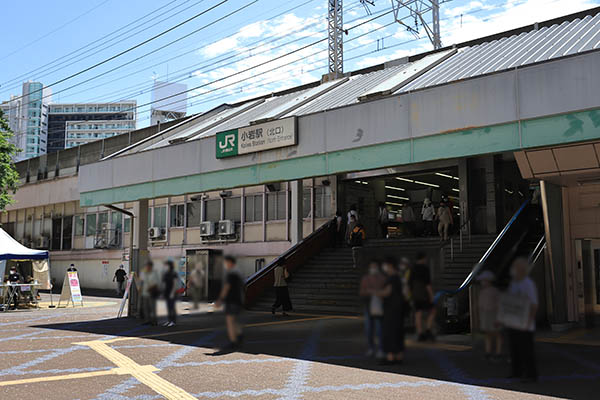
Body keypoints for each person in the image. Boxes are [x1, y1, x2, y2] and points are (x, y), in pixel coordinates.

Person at [506, 257, 538, 382]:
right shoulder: (514, 283)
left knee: (527, 350)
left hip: (525, 323)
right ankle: (516, 372)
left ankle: (531, 374)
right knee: (515, 348)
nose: (513, 270)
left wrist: (529, 321)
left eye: (516, 267)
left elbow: (534, 304)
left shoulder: (528, 284)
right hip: (514, 322)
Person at [378, 257, 407, 365]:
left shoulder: (391, 279)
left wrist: (378, 293)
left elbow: (387, 292)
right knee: (398, 332)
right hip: (399, 309)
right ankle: (399, 356)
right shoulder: (399, 278)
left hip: (390, 310)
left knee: (390, 332)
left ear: (390, 266)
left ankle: (390, 357)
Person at [216, 255, 244, 350]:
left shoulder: (230, 274)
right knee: (235, 320)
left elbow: (226, 288)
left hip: (231, 300)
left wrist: (220, 300)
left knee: (230, 321)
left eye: (226, 263)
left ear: (230, 263)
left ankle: (233, 341)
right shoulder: (238, 274)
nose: (225, 265)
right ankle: (239, 336)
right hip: (238, 300)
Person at [359, 261, 386, 358]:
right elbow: (362, 292)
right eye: (372, 267)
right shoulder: (366, 278)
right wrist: (370, 292)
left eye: (375, 267)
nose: (373, 269)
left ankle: (381, 348)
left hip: (379, 306)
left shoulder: (382, 278)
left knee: (379, 329)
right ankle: (371, 348)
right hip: (368, 306)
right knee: (369, 329)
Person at [410, 252, 436, 341]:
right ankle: (428, 330)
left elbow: (409, 283)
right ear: (423, 259)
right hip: (424, 294)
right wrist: (431, 295)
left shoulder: (412, 269)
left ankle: (420, 333)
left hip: (415, 295)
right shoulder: (425, 269)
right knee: (432, 311)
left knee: (418, 314)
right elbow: (427, 284)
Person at [477, 270, 502, 362]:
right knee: (488, 333)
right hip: (485, 314)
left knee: (496, 333)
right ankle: (488, 352)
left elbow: (499, 304)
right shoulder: (482, 292)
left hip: (493, 314)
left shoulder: (494, 291)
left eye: (484, 280)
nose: (482, 282)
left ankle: (498, 352)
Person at [140, 261, 160, 326]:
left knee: (152, 308)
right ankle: (147, 320)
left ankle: (154, 321)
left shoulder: (155, 273)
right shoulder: (144, 273)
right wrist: (140, 288)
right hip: (145, 292)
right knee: (146, 308)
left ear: (151, 266)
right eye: (147, 266)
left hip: (152, 293)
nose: (147, 267)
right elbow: (142, 281)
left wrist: (150, 288)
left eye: (148, 266)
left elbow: (156, 283)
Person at [162, 260, 178, 327]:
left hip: (172, 292)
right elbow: (163, 283)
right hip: (166, 291)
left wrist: (172, 292)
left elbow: (175, 283)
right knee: (168, 307)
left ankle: (173, 321)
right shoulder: (165, 273)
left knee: (172, 307)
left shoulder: (173, 273)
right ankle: (169, 320)